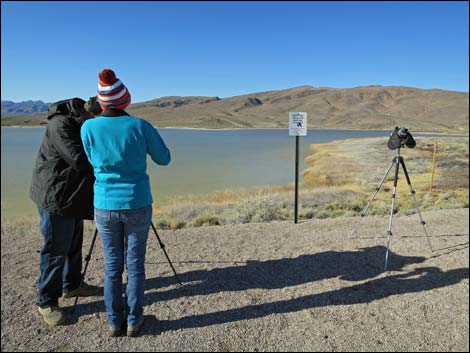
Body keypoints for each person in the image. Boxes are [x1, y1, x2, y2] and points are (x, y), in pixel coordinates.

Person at [80, 69, 171, 337]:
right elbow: (164, 159)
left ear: (102, 102)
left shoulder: (88, 127)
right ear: (125, 100)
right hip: (137, 203)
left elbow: (90, 159)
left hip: (104, 205)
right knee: (135, 265)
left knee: (111, 266)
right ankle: (134, 320)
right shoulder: (140, 126)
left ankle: (113, 321)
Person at [30, 97, 102, 326]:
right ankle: (46, 301)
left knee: (72, 243)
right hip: (56, 195)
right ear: (88, 113)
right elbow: (79, 160)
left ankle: (72, 285)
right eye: (96, 118)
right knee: (55, 249)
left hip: (71, 195)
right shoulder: (60, 124)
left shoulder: (77, 122)